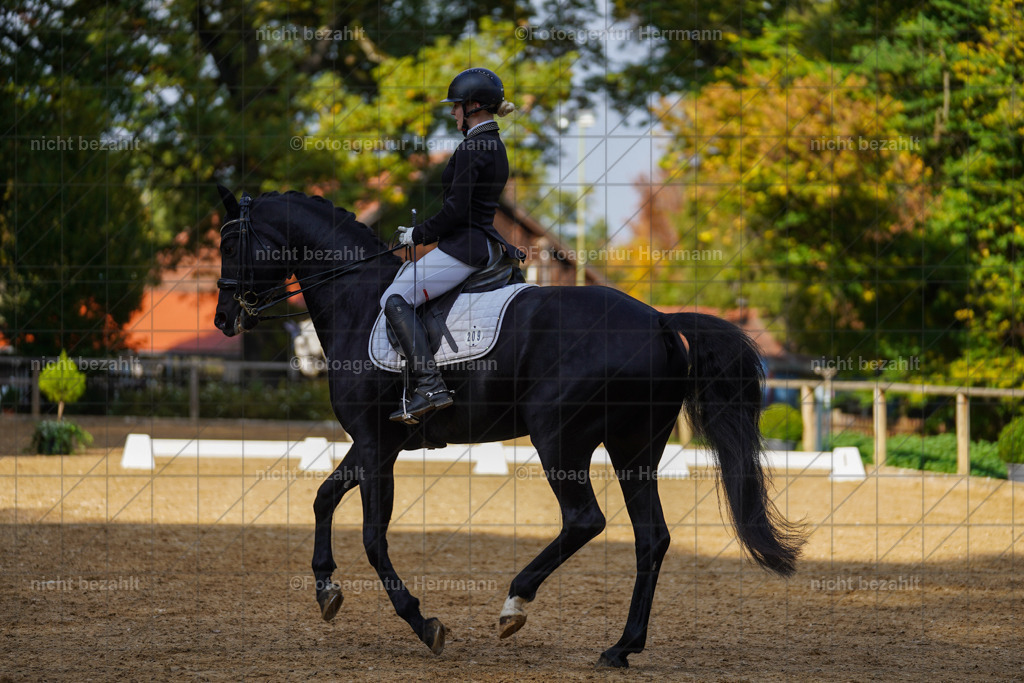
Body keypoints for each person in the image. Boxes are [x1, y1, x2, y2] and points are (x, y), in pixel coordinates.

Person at [380, 67, 525, 423]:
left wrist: (418, 234)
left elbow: (456, 210)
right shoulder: (494, 144)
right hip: (481, 243)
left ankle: (429, 386)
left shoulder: (474, 147)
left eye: (456, 106)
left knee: (393, 299)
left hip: (464, 247)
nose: (452, 112)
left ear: (474, 106)